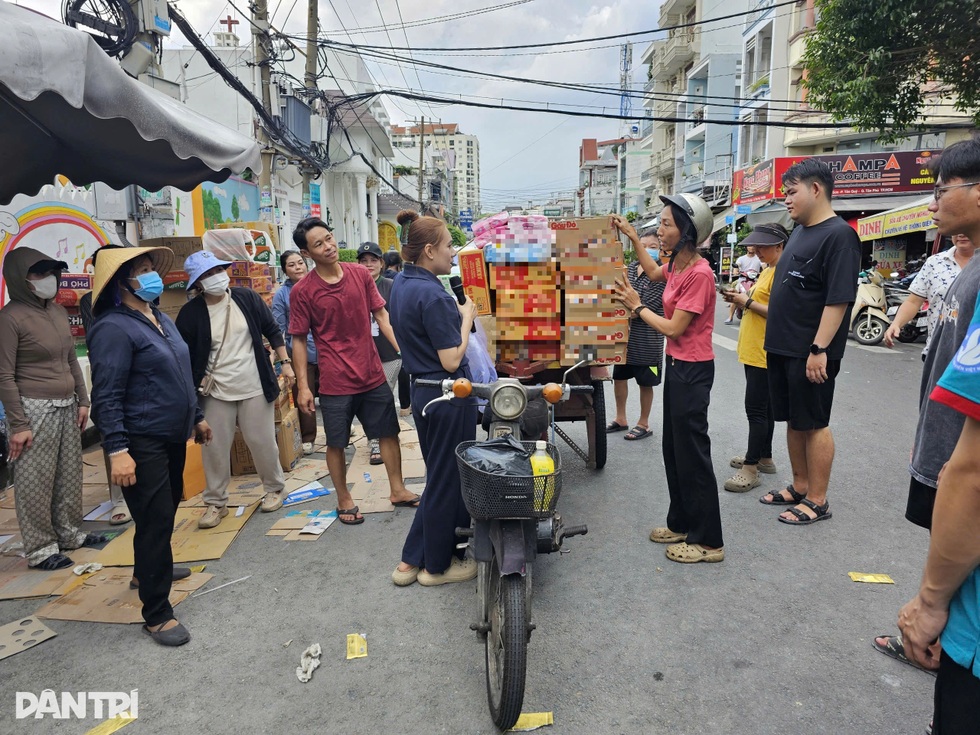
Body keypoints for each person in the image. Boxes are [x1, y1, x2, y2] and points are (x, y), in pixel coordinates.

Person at [897, 137, 980, 734]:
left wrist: (929, 605)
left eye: (941, 188)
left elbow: (974, 469)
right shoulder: (963, 270)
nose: (932, 202)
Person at [87, 246, 209, 646]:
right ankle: (157, 613)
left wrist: (196, 417)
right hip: (141, 440)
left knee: (166, 506)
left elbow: (179, 371)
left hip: (170, 434)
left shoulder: (157, 316)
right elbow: (106, 395)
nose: (151, 276)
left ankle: (147, 569)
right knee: (155, 518)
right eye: (142, 271)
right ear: (122, 282)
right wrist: (117, 450)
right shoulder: (112, 328)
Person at [612, 194, 724, 564]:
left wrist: (637, 306)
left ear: (688, 231)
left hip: (693, 370)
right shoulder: (677, 263)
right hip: (677, 367)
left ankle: (709, 542)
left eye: (666, 225)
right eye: (659, 224)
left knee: (693, 455)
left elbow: (675, 328)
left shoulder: (700, 274)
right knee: (674, 451)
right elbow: (654, 271)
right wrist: (631, 236)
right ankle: (680, 523)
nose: (659, 231)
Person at [289, 218, 420, 525]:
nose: (328, 246)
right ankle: (344, 498)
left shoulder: (360, 274)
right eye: (318, 244)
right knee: (336, 442)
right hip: (335, 381)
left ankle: (397, 489)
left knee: (389, 432)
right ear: (307, 253)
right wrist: (304, 387)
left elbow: (383, 316)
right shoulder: (303, 291)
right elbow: (297, 339)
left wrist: (405, 353)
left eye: (329, 238)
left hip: (372, 372)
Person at [759, 158, 860, 525]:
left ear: (815, 189)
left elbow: (838, 299)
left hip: (811, 352)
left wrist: (819, 349)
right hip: (783, 349)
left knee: (815, 422)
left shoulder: (840, 236)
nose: (786, 200)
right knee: (793, 420)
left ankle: (817, 500)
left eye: (791, 191)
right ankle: (799, 485)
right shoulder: (800, 231)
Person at [0, 248, 106, 570]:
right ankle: (41, 549)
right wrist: (18, 425)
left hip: (67, 405)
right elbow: (4, 375)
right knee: (35, 482)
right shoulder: (10, 318)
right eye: (37, 273)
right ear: (20, 279)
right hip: (33, 410)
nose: (48, 279)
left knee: (69, 475)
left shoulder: (58, 312)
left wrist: (84, 399)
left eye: (50, 272)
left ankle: (71, 533)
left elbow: (71, 358)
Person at [389, 210, 478, 586]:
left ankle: (412, 560)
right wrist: (467, 318)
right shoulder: (433, 294)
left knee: (439, 477)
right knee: (448, 481)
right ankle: (437, 566)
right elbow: (451, 358)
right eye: (447, 246)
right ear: (428, 250)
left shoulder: (401, 284)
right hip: (446, 393)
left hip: (424, 393)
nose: (452, 252)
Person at [175, 251, 291, 529]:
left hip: (253, 383)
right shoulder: (190, 314)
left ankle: (275, 488)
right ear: (198, 284)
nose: (215, 277)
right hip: (214, 390)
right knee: (214, 448)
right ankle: (216, 503)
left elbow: (272, 329)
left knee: (261, 441)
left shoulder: (245, 297)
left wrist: (285, 362)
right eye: (206, 275)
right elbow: (184, 357)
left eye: (216, 270)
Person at [720, 224, 789, 492]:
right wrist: (741, 299)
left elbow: (779, 312)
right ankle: (765, 457)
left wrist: (745, 302)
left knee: (756, 410)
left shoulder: (781, 271)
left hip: (764, 350)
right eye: (755, 246)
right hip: (755, 348)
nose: (757, 250)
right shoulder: (769, 269)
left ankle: (751, 468)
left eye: (762, 246)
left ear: (780, 245)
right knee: (766, 409)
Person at [78, 244, 132, 526]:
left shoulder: (136, 293)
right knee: (112, 436)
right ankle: (118, 499)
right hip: (110, 374)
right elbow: (95, 339)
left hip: (140, 375)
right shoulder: (91, 301)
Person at [607, 227, 665, 441]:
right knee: (619, 377)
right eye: (644, 246)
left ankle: (644, 423)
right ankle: (621, 418)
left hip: (649, 341)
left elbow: (643, 305)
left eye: (653, 247)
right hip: (624, 340)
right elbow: (617, 294)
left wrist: (627, 308)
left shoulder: (662, 274)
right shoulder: (629, 269)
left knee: (646, 382)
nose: (648, 251)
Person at [884, 234, 978, 355]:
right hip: (937, 351)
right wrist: (896, 324)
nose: (961, 234)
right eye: (957, 229)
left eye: (967, 228)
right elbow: (913, 301)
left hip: (974, 355)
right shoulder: (934, 263)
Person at [357, 241, 402, 465]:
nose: (368, 264)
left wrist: (401, 348)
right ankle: (377, 437)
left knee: (382, 397)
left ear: (381, 263)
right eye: (363, 261)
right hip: (361, 355)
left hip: (388, 354)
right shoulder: (354, 285)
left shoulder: (390, 286)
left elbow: (397, 319)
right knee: (366, 400)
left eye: (373, 260)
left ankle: (377, 441)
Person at [271, 249, 318, 453]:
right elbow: (278, 328)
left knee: (336, 393)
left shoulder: (318, 285)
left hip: (326, 350)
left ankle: (342, 427)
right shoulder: (282, 294)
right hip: (300, 353)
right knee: (304, 393)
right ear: (284, 270)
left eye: (300, 262)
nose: (298, 267)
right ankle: (308, 437)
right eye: (291, 264)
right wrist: (281, 360)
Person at [726, 244, 761, 324]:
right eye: (749, 246)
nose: (751, 247)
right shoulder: (741, 258)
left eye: (753, 246)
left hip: (755, 280)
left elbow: (764, 266)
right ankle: (730, 317)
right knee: (736, 295)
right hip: (742, 280)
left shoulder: (759, 258)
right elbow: (737, 266)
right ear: (746, 247)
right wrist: (736, 270)